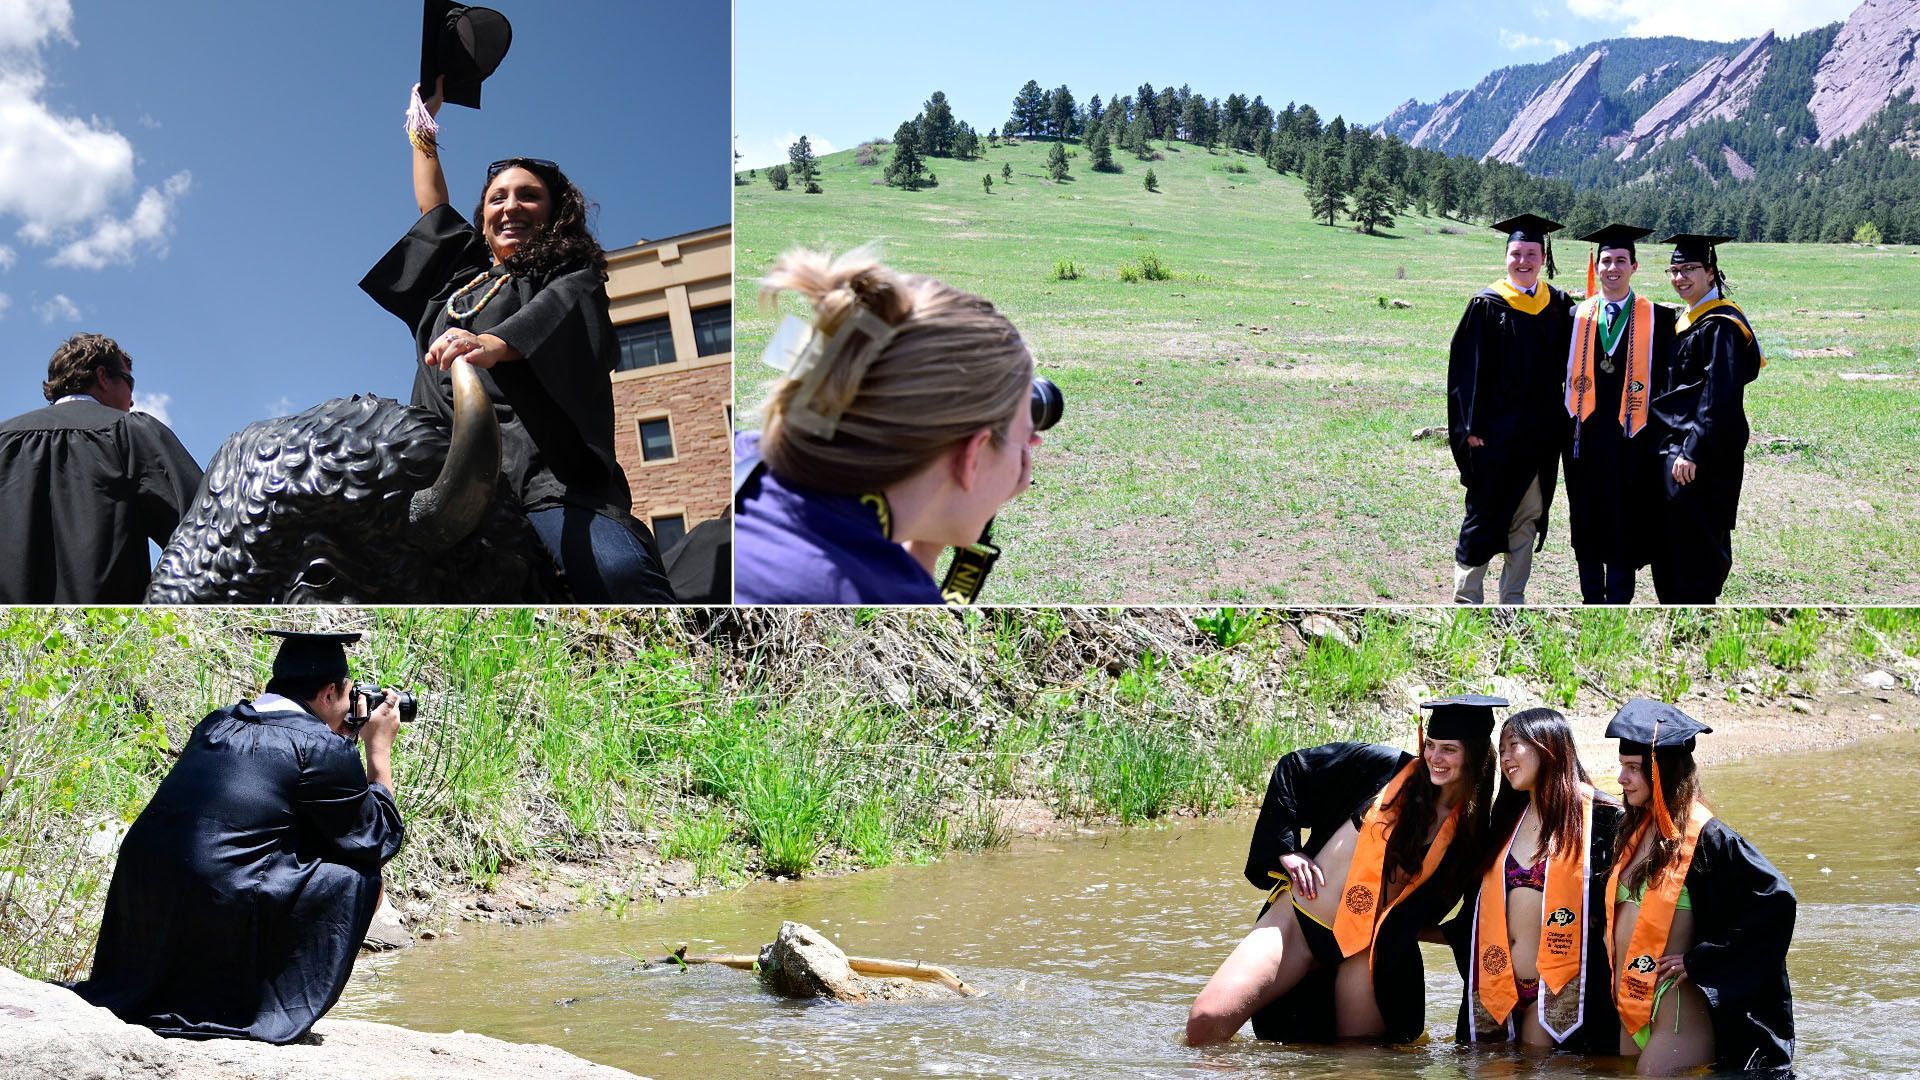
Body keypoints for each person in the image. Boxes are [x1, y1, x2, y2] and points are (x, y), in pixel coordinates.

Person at [359, 74, 673, 602]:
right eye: (498, 198)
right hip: (439, 473)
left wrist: (496, 345)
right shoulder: (457, 282)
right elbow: (432, 207)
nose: (511, 206)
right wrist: (423, 124)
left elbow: (557, 311)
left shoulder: (572, 274)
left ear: (554, 214)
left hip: (546, 482)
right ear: (481, 219)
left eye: (529, 196)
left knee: (618, 575)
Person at [70, 630, 405, 1044]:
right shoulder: (318, 746)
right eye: (348, 694)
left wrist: (340, 740)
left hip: (144, 905)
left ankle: (177, 989)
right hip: (219, 904)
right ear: (329, 692)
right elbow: (377, 836)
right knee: (361, 873)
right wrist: (377, 751)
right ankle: (253, 1004)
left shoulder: (218, 722)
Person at [734, 248, 1043, 604]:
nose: (1028, 448)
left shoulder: (747, 455)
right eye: (1023, 435)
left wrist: (927, 536)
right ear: (972, 456)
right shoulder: (876, 593)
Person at [1186, 695, 1498, 1046]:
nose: (1434, 758)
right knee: (1205, 1022)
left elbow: (1466, 918)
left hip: (1362, 953)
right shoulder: (1384, 767)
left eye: (1449, 750)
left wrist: (1411, 936)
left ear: (1473, 754)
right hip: (1300, 922)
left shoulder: (1470, 835)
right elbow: (1294, 768)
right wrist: (1286, 850)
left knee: (1356, 1059)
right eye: (1431, 745)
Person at [1604, 700, 1795, 1075]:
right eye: (1621, 767)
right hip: (1631, 997)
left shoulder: (1709, 839)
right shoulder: (1632, 830)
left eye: (1633, 769)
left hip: (1676, 1005)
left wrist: (1702, 960)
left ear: (1664, 773)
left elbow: (1777, 900)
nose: (1621, 779)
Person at [1447, 707, 1622, 1052]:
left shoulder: (1603, 819)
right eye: (1503, 748)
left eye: (1514, 745)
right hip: (1501, 991)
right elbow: (1478, 914)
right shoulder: (1506, 821)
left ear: (1547, 746)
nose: (1506, 758)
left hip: (1566, 992)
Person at [0, 333, 202, 603]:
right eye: (129, 382)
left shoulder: (4, 440)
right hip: (104, 632)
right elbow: (206, 532)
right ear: (103, 376)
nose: (131, 400)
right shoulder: (130, 433)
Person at [1446, 214, 1574, 605]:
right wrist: (1467, 428)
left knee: (1529, 518)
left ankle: (1512, 600)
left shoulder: (1559, 305)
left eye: (1531, 253)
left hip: (1539, 439)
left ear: (1543, 256)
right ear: (1506, 256)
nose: (1524, 261)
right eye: (1517, 253)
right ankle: (1467, 598)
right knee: (1484, 517)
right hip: (1495, 437)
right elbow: (1464, 373)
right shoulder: (1485, 306)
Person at [1563, 225, 1675, 605]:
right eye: (1606, 261)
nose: (1612, 268)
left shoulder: (1659, 318)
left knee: (1625, 522)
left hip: (1633, 443)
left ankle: (1620, 602)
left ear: (1634, 266)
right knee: (1587, 520)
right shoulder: (1575, 317)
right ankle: (1591, 598)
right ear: (1597, 267)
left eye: (1620, 261)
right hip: (1584, 442)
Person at [1650, 234, 1763, 603]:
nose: (1680, 277)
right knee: (1671, 546)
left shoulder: (1722, 325)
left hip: (1700, 456)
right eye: (1675, 270)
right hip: (1675, 449)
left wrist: (1692, 450)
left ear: (1711, 273)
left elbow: (1720, 395)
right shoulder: (1688, 318)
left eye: (1689, 270)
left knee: (1696, 550)